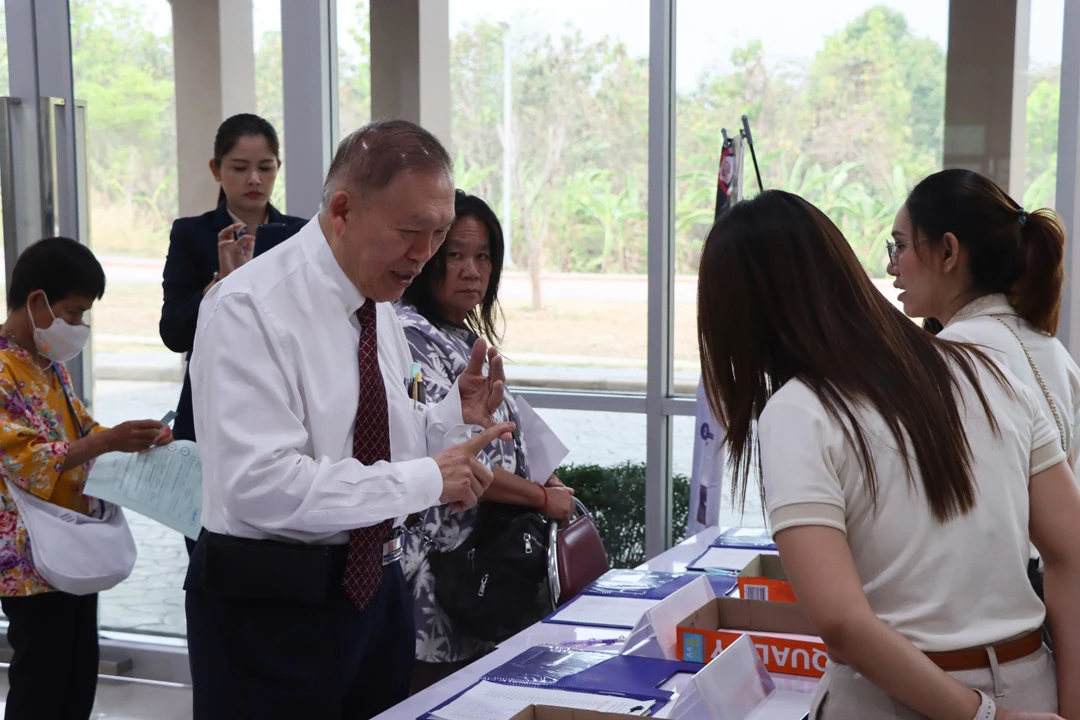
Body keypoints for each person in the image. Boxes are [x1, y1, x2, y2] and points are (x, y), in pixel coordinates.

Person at [698, 190, 1080, 719]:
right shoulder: (988, 372)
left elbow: (842, 622)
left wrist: (983, 716)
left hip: (896, 698)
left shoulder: (798, 411)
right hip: (1030, 681)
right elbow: (1072, 552)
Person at [184, 119, 515, 720]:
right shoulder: (248, 307)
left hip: (374, 588)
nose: (426, 255)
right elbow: (261, 485)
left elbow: (378, 433)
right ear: (342, 210)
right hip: (271, 605)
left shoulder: (376, 298)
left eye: (439, 233)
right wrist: (427, 479)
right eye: (412, 232)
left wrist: (447, 420)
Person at [397, 190, 574, 690]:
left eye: (483, 256)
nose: (471, 270)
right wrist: (541, 497)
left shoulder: (459, 333)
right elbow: (457, 463)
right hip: (441, 574)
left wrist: (550, 481)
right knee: (437, 696)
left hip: (483, 567)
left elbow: (513, 439)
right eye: (454, 255)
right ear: (427, 256)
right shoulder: (410, 336)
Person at [887, 168, 1080, 599]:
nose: (891, 265)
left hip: (980, 609)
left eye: (900, 246)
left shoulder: (948, 357)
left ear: (949, 251)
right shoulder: (1050, 348)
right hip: (1050, 599)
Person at [0, 237, 171, 720]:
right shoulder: (3, 370)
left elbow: (81, 430)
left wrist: (133, 436)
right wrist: (103, 441)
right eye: (73, 314)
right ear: (37, 302)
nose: (78, 327)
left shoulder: (50, 366)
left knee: (77, 672)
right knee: (42, 678)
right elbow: (23, 457)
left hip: (71, 543)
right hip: (29, 556)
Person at [159, 113, 304, 447]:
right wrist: (219, 286)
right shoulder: (191, 234)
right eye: (239, 168)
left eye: (265, 168)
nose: (254, 179)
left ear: (278, 167)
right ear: (216, 169)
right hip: (213, 394)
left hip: (286, 395)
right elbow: (174, 332)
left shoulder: (299, 234)